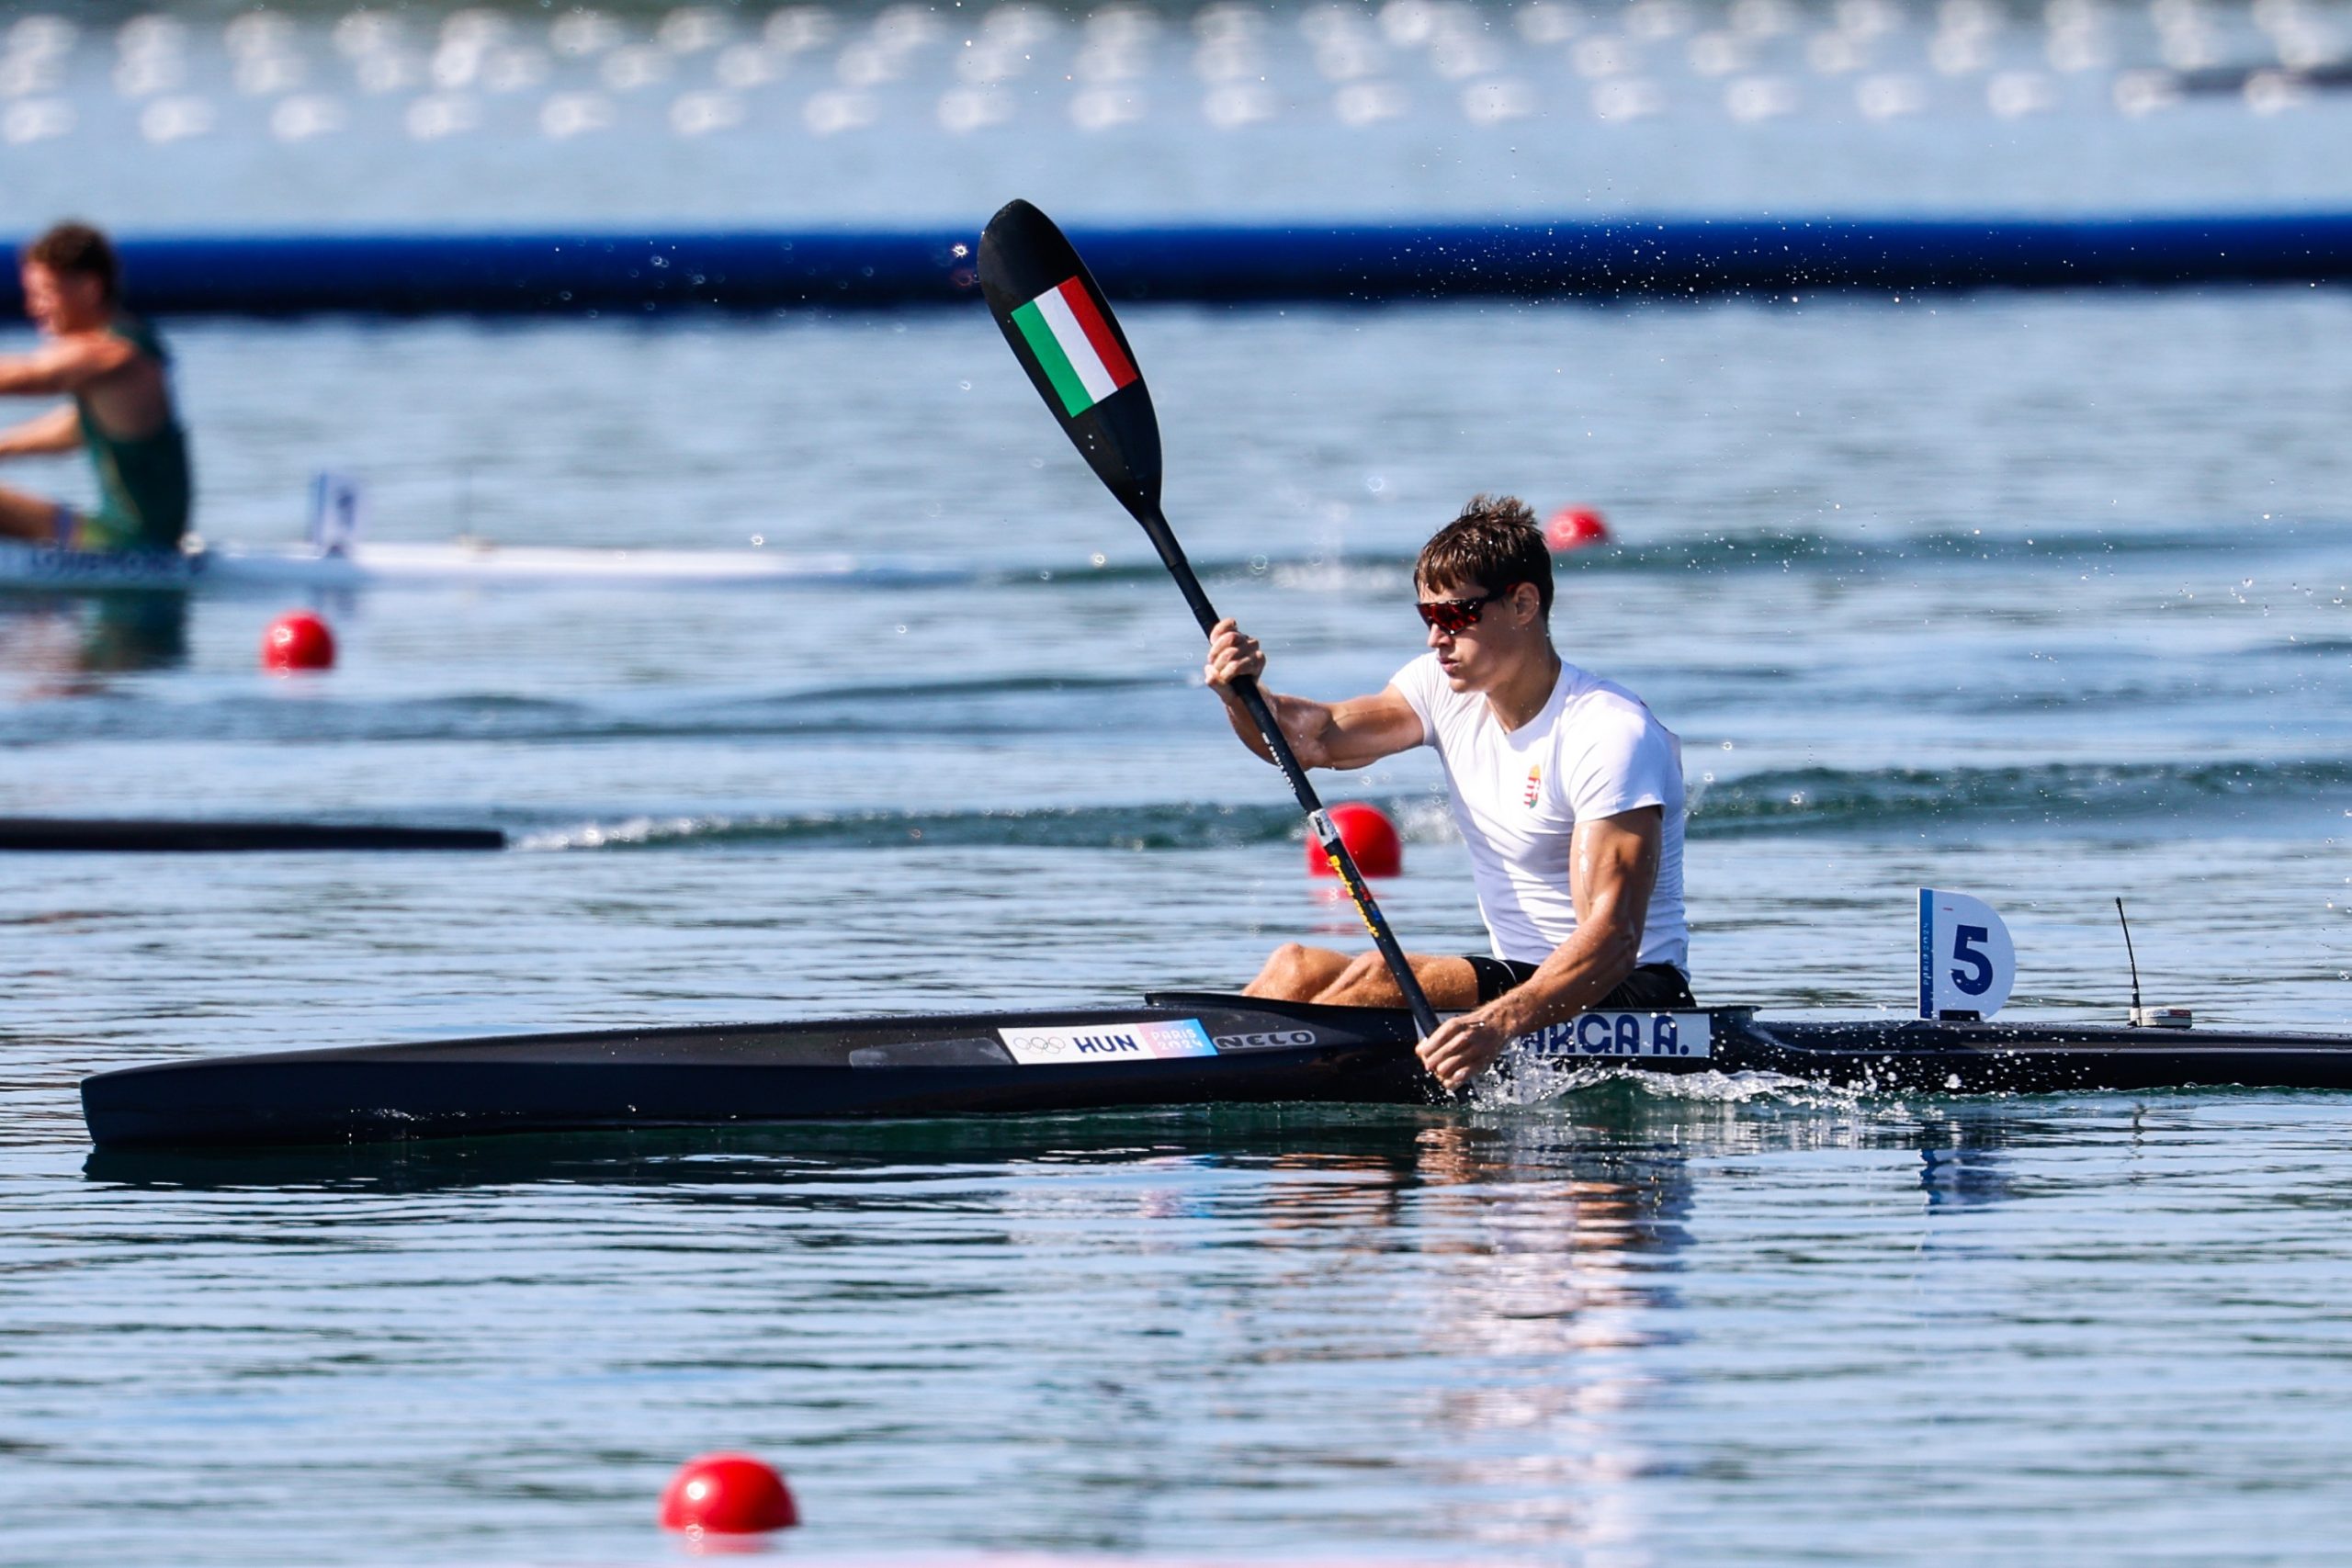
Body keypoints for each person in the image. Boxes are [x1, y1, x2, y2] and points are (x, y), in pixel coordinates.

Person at [1204, 494, 1692, 1090]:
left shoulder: (1608, 732)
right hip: (1523, 986)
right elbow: (1313, 739)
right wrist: (1245, 696)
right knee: (1294, 966)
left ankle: (1237, 1088)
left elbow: (1614, 940)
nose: (1438, 637)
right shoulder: (1442, 689)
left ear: (1523, 602)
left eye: (1456, 615)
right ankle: (1184, 1074)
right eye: (1427, 616)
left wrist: (1495, 1023)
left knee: (1382, 980)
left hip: (1632, 998)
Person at [0, 220, 193, 553]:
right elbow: (78, 428)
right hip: (133, 536)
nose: (33, 307)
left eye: (44, 294)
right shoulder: (135, 344)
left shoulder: (113, 355)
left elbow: (29, 375)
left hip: (128, 544)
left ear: (90, 289)